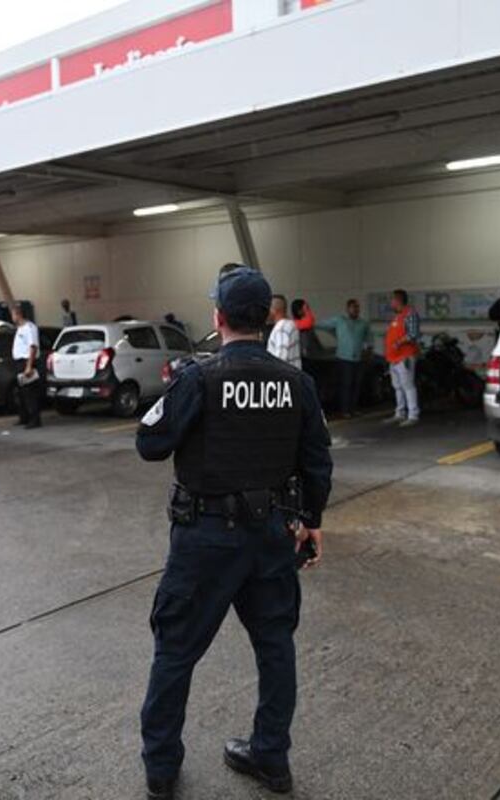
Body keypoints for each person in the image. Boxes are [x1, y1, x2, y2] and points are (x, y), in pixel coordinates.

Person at [137, 264, 332, 799]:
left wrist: (172, 396)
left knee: (175, 650)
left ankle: (161, 767)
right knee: (275, 646)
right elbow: (317, 461)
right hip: (272, 532)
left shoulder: (199, 379)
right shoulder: (297, 383)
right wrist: (311, 521)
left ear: (217, 316)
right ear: (268, 317)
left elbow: (150, 443)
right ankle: (272, 758)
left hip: (205, 537)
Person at [315, 298, 373, 418]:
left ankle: (353, 408)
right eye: (353, 307)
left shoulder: (363, 323)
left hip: (358, 358)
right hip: (344, 358)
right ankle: (345, 410)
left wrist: (368, 352)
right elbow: (322, 325)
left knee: (356, 385)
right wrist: (307, 322)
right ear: (347, 309)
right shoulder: (339, 320)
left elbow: (368, 339)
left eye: (357, 307)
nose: (356, 309)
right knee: (346, 385)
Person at [385, 289, 421, 427]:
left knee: (408, 386)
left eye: (392, 300)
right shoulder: (397, 316)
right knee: (398, 387)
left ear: (398, 300)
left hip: (404, 356)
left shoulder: (409, 314)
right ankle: (400, 413)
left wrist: (398, 343)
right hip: (394, 358)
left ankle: (413, 414)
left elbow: (413, 334)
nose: (391, 303)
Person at [11, 304, 43, 429]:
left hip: (27, 361)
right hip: (19, 362)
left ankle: (35, 419)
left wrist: (29, 365)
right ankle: (24, 417)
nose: (12, 317)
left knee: (30, 392)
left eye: (13, 314)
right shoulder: (20, 328)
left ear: (18, 314)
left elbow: (33, 346)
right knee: (21, 392)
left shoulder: (29, 328)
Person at [266, 293, 301, 369]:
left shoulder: (281, 328)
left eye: (267, 308)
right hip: (292, 375)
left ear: (274, 310)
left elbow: (280, 358)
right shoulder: (290, 324)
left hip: (285, 377)